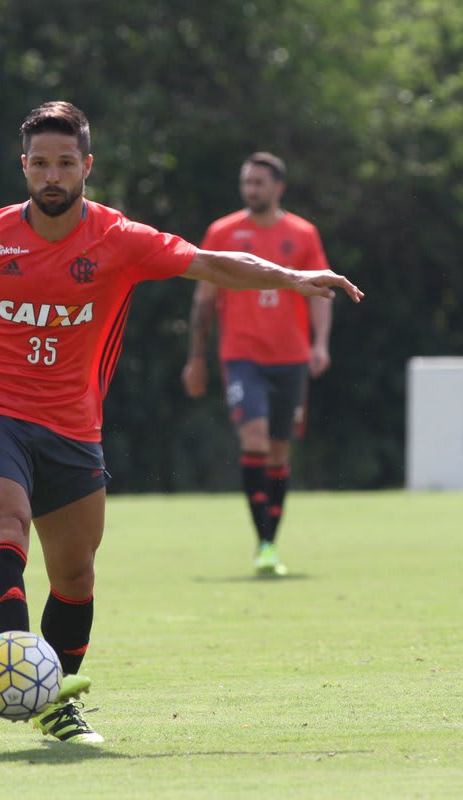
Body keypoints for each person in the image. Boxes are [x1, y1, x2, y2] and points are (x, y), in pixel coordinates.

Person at [0, 103, 361, 743]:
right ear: (23, 167)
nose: (52, 174)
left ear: (86, 167)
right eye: (40, 162)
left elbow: (210, 264)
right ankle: (22, 666)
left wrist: (291, 277)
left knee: (76, 574)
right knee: (6, 524)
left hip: (73, 424)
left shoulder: (118, 239)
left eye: (65, 163)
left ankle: (57, 704)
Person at [181, 152, 334, 577]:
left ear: (278, 187)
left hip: (291, 357)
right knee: (255, 438)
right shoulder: (223, 231)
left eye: (259, 183)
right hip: (242, 355)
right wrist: (196, 358)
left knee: (279, 449)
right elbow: (204, 301)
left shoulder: (302, 234)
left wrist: (320, 344)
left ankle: (270, 540)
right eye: (246, 182)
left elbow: (320, 291)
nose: (251, 190)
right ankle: (263, 540)